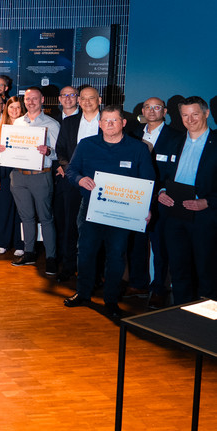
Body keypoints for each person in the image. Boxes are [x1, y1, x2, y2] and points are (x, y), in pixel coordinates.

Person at [63, 106, 155, 319]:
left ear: (123, 123)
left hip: (123, 212)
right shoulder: (86, 145)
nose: (110, 124)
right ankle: (83, 293)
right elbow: (71, 170)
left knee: (116, 255)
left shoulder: (138, 148)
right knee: (86, 252)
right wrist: (80, 180)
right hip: (91, 209)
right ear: (100, 124)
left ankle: (111, 300)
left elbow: (147, 180)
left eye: (114, 120)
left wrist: (146, 207)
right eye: (106, 120)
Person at [155, 96, 217, 305]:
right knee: (178, 268)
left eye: (195, 114)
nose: (190, 120)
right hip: (175, 214)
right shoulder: (175, 141)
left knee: (206, 271)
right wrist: (162, 191)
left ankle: (206, 319)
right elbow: (164, 175)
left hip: (205, 216)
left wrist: (207, 201)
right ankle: (180, 314)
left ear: (206, 113)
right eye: (185, 115)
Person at [2, 87, 61, 274]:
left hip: (40, 175)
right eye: (28, 99)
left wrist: (48, 151)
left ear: (42, 100)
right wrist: (4, 149)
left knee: (46, 218)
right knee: (26, 217)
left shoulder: (52, 124)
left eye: (35, 99)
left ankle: (51, 257)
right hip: (18, 176)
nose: (31, 102)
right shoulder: (17, 122)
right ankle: (29, 253)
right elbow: (12, 146)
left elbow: (58, 152)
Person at [53, 86, 102, 282]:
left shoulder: (107, 122)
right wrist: (70, 171)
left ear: (99, 100)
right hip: (73, 182)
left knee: (96, 230)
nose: (87, 102)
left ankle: (95, 273)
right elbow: (60, 150)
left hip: (99, 184)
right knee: (70, 227)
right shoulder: (69, 123)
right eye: (84, 98)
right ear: (79, 101)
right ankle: (68, 267)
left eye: (92, 98)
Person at [129, 97, 173, 307]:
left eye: (157, 107)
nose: (152, 111)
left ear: (164, 111)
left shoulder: (176, 137)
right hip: (136, 197)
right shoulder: (133, 134)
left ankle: (158, 288)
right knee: (137, 242)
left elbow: (175, 170)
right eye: (148, 107)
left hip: (161, 198)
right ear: (143, 111)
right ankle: (138, 284)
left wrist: (162, 190)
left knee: (159, 246)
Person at [0, 97, 25, 256]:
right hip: (4, 175)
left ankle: (20, 244)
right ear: (6, 109)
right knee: (4, 209)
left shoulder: (28, 127)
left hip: (22, 174)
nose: (14, 110)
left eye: (17, 107)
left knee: (21, 210)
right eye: (11, 107)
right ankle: (3, 243)